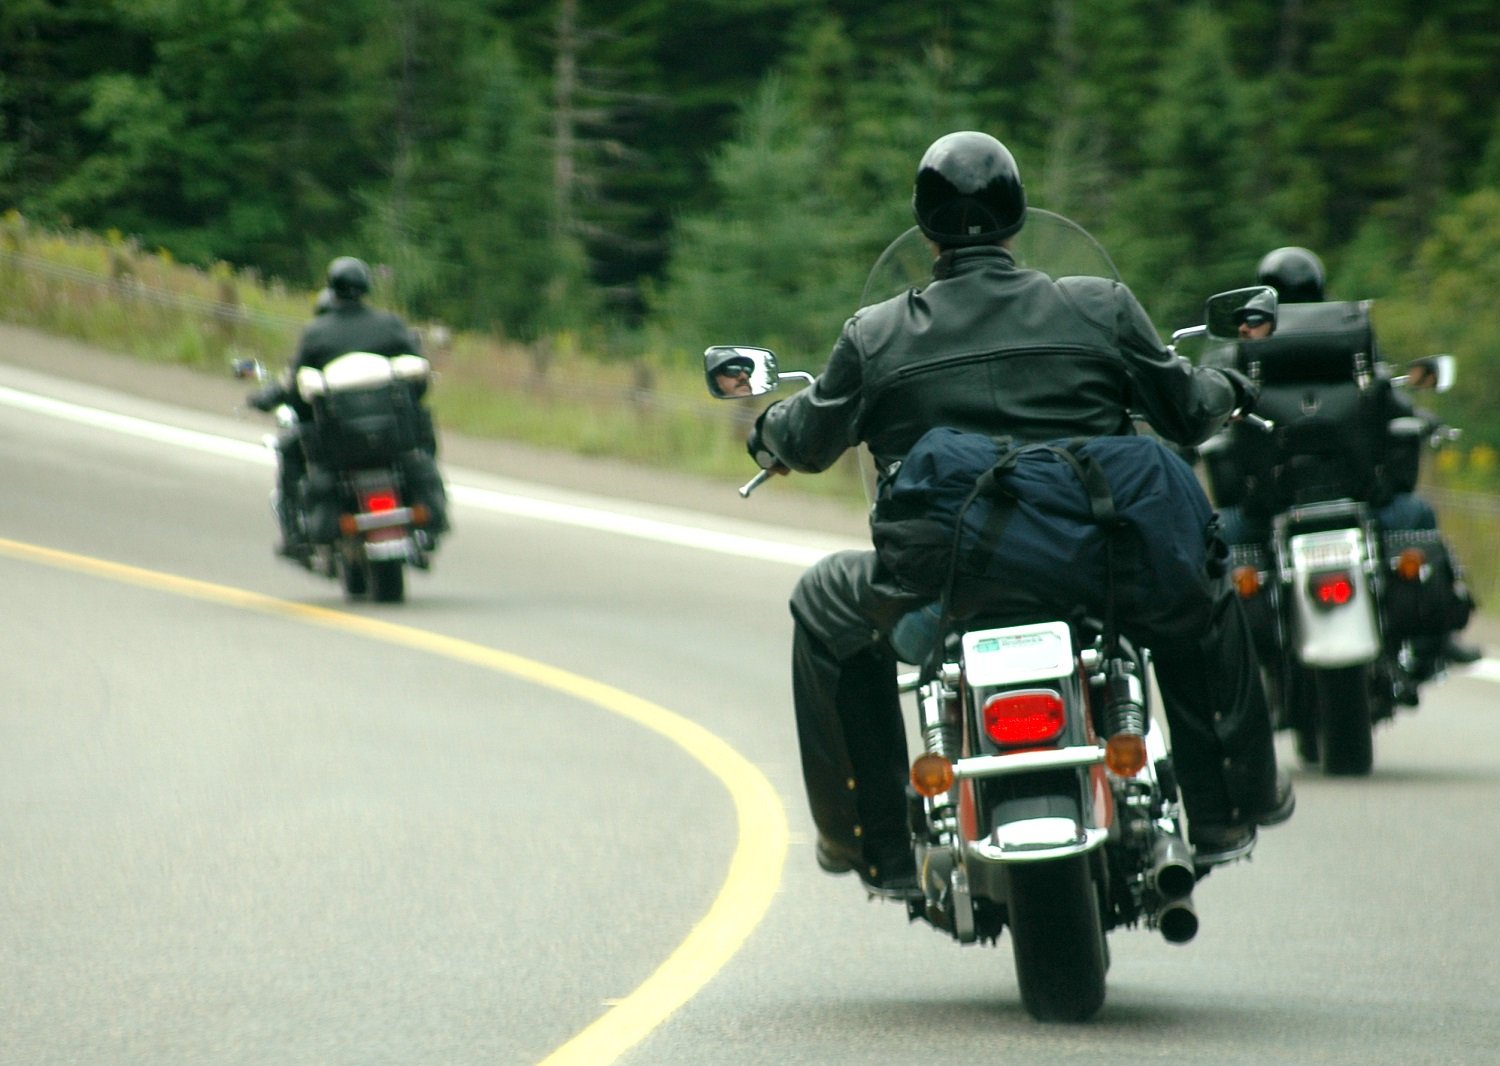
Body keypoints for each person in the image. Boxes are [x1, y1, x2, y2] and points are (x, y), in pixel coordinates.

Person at [746, 131, 1293, 896]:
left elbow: (805, 440)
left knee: (823, 601)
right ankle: (1226, 807)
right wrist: (1228, 390)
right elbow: (1186, 410)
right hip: (1101, 566)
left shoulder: (875, 336)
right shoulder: (1099, 307)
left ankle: (869, 843)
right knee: (1201, 579)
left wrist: (767, 427)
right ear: (1016, 216)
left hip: (945, 581)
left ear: (925, 223)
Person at [1226, 246, 1479, 666]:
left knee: (1219, 543)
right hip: (1363, 498)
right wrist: (1426, 420)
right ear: (1319, 286)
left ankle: (1224, 667)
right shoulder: (1349, 339)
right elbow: (1391, 401)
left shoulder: (1244, 348)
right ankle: (1439, 639)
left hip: (1268, 507)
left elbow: (1218, 411)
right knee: (1419, 519)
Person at [249, 256, 446, 557]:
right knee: (423, 427)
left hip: (337, 446)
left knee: (290, 449)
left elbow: (295, 384)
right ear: (366, 286)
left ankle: (294, 534)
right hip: (394, 440)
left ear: (332, 288)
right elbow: (419, 380)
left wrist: (269, 399)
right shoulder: (390, 325)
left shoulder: (317, 333)